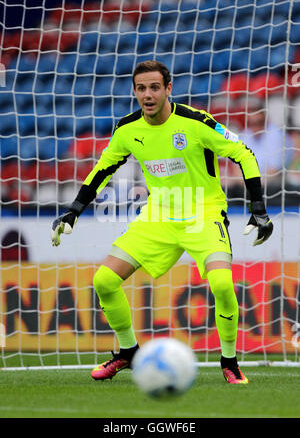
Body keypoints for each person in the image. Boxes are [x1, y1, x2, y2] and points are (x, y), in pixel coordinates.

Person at [51, 61, 273, 385]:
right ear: (135, 92)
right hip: (158, 216)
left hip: (204, 213)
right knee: (104, 281)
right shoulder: (127, 129)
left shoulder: (197, 123)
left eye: (155, 87)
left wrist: (259, 208)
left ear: (169, 89)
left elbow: (244, 153)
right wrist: (74, 210)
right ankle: (129, 353)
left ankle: (229, 361)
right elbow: (103, 169)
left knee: (223, 286)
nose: (148, 95)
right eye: (141, 88)